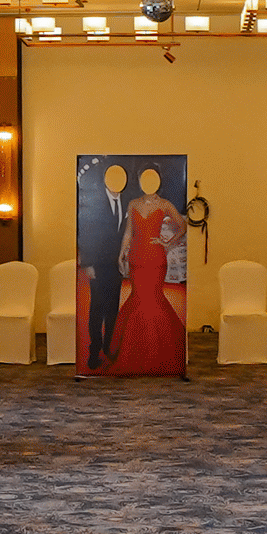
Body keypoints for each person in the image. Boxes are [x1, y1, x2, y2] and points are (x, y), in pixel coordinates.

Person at [106, 167, 187, 376]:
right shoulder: (134, 203)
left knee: (152, 298)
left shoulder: (165, 204)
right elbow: (129, 232)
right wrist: (121, 253)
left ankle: (156, 353)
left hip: (155, 257)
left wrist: (167, 244)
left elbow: (182, 225)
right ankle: (136, 350)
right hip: (137, 257)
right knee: (138, 297)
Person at [78, 161, 131, 371]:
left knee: (112, 308)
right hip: (98, 264)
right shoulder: (94, 200)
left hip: (115, 264)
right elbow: (85, 232)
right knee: (97, 309)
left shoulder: (126, 200)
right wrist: (88, 264)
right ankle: (94, 351)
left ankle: (109, 346)